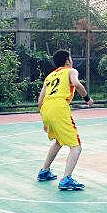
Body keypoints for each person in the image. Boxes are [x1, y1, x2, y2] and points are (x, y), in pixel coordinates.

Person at [36, 49, 94, 190]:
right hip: (59, 108)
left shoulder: (49, 77)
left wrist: (45, 120)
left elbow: (40, 101)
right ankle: (66, 179)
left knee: (58, 141)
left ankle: (44, 171)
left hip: (46, 109)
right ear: (67, 61)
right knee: (76, 146)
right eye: (71, 58)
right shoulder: (70, 71)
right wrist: (87, 99)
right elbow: (77, 84)